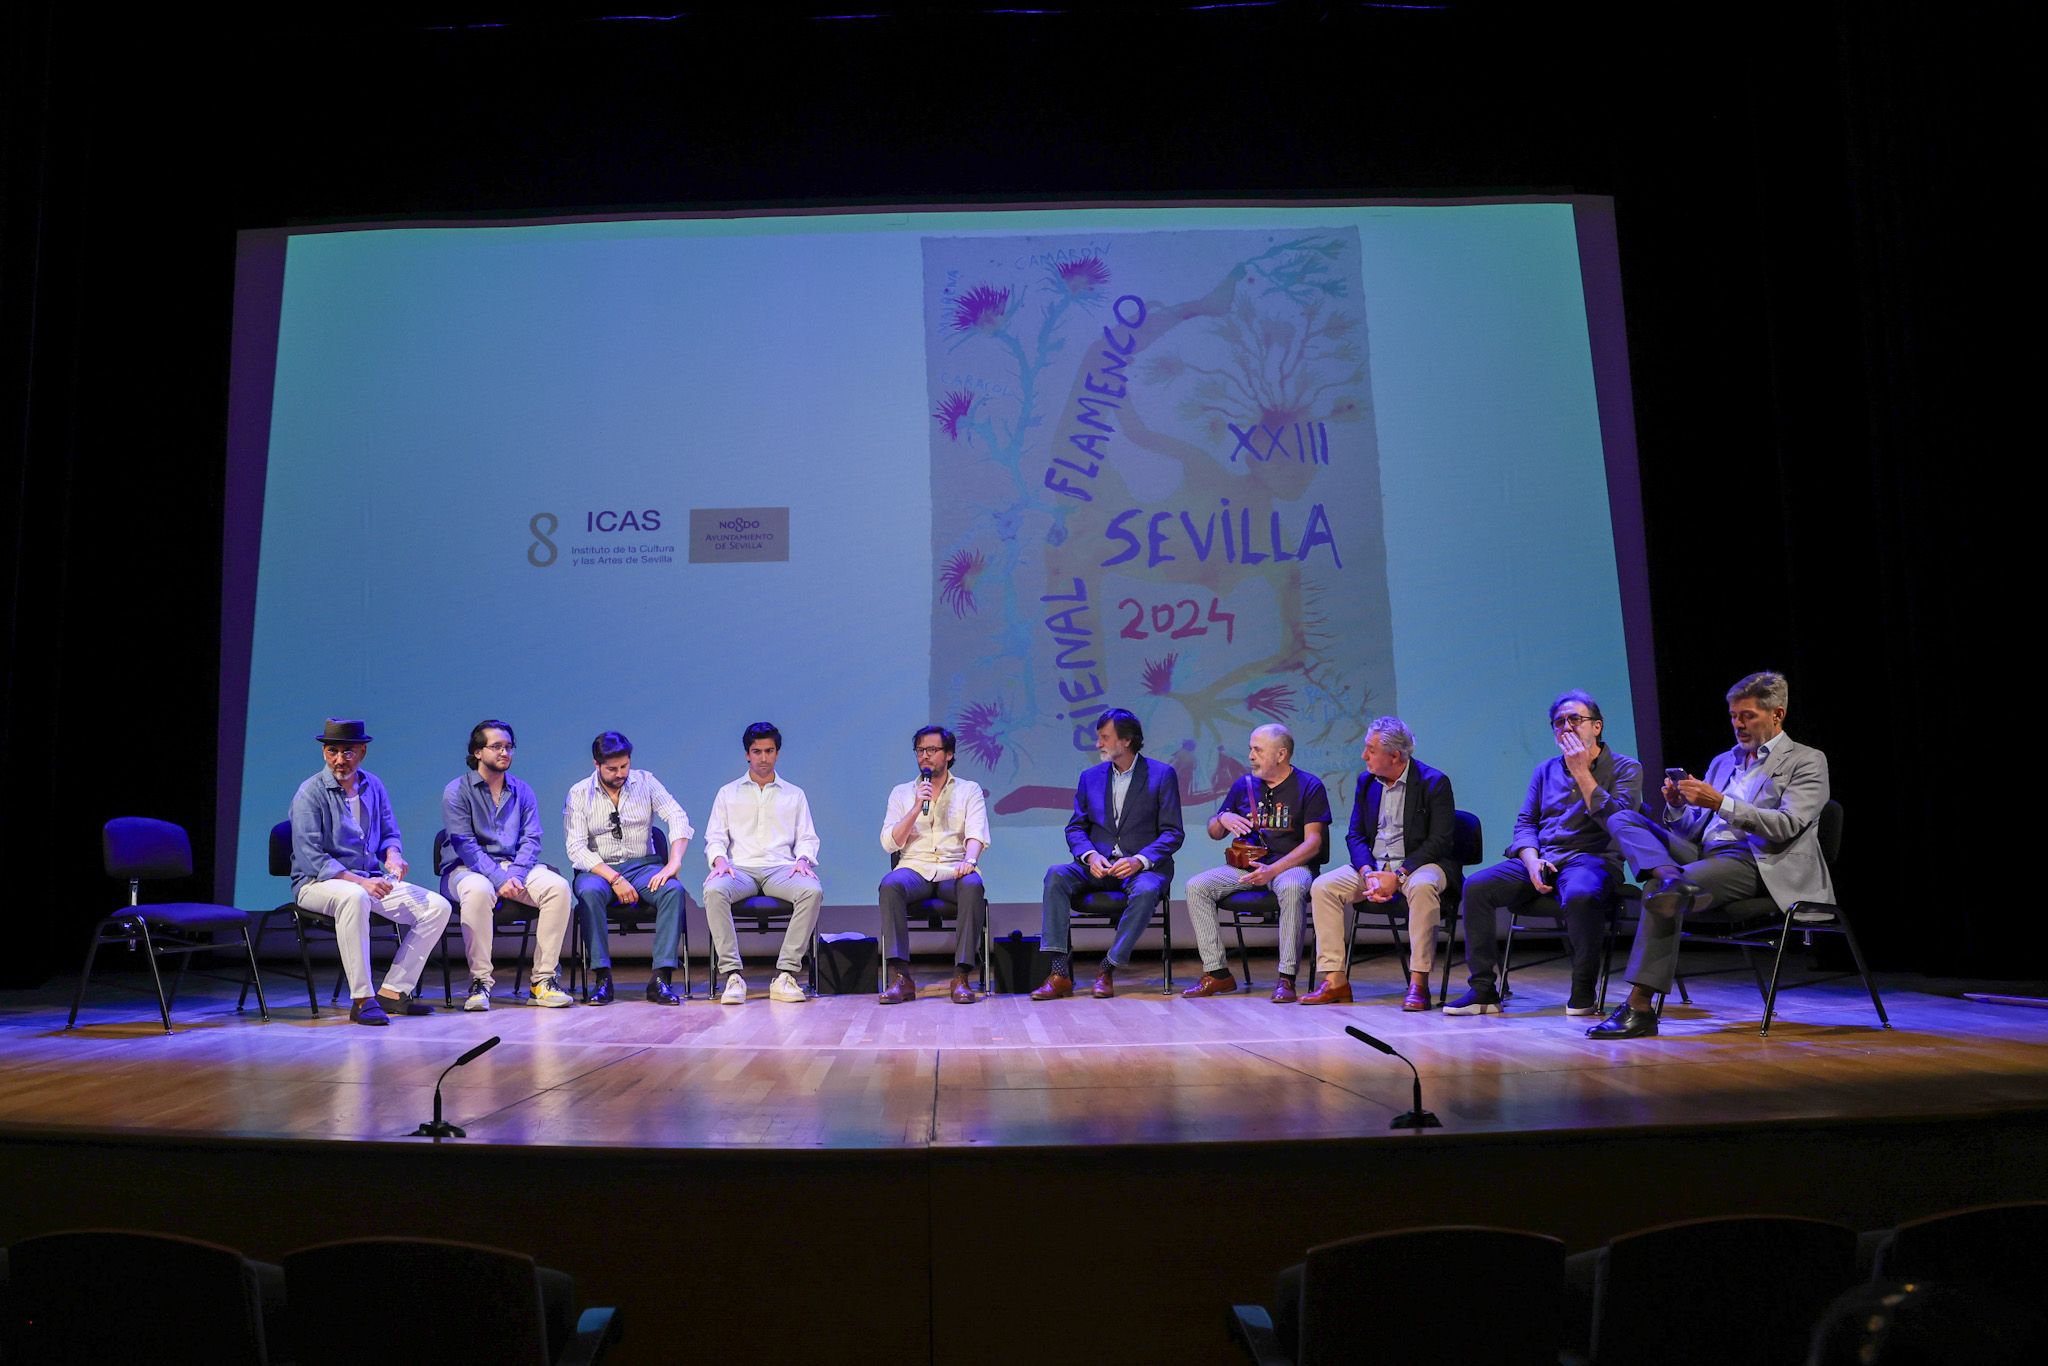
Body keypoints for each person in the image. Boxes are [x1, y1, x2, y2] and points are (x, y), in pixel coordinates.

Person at [1588, 671, 1831, 1040]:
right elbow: (1693, 830)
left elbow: (1786, 826)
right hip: (1703, 854)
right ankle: (1670, 874)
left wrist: (1720, 802)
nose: (1738, 724)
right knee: (1625, 817)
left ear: (1777, 714)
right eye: (1734, 716)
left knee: (1660, 893)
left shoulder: (1807, 761)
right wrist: (1678, 808)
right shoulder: (1724, 762)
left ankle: (1639, 1006)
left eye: (1747, 715)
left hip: (1757, 862)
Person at [1444, 691, 1642, 1018]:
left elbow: (1619, 823)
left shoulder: (1626, 768)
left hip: (1591, 858)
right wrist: (1531, 859)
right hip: (1544, 858)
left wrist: (1582, 773)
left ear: (1597, 726)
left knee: (1580, 896)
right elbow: (1526, 822)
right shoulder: (1545, 770)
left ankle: (1583, 991)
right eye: (1559, 723)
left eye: (1574, 720)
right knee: (1477, 887)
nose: (1566, 728)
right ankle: (1483, 989)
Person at [288, 719, 452, 1026]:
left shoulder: (372, 786)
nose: (339, 759)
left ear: (361, 752)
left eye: (347, 752)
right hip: (317, 883)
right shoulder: (310, 793)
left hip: (366, 879)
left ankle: (393, 990)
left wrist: (393, 856)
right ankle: (363, 999)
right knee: (355, 898)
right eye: (332, 751)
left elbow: (389, 832)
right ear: (324, 753)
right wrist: (362, 882)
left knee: (437, 908)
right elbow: (311, 857)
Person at [1301, 716, 1457, 1009]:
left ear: (1394, 755)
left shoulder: (1434, 782)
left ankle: (1418, 982)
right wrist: (1368, 872)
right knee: (1323, 887)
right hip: (1374, 867)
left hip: (1419, 866)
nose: (1364, 756)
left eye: (1370, 750)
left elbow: (1440, 842)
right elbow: (1356, 835)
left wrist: (1398, 875)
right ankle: (1334, 980)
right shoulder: (1367, 782)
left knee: (1423, 888)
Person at [1032, 708, 1184, 1000]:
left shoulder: (1162, 775)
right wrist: (1090, 856)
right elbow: (1076, 828)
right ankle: (1059, 972)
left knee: (1147, 889)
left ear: (1126, 741)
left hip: (1142, 868)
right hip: (1098, 867)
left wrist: (1139, 860)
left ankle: (1108, 967)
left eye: (1105, 737)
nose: (1098, 744)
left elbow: (1172, 832)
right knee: (1056, 875)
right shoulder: (1090, 777)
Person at [1180, 723, 1330, 1003]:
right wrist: (1222, 818)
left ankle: (1286, 978)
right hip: (1246, 867)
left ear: (1281, 754)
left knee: (1292, 887)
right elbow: (1214, 832)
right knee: (1197, 886)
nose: (1250, 756)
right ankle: (1217, 973)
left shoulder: (1309, 786)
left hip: (1288, 868)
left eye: (1257, 750)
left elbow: (1313, 843)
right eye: (1250, 749)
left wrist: (1273, 870)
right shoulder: (1244, 785)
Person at [438, 720, 573, 1010]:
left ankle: (542, 981)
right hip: (466, 868)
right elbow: (464, 843)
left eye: (508, 747)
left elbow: (532, 839)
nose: (504, 752)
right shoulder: (457, 791)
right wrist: (499, 879)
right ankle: (481, 982)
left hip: (514, 867)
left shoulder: (522, 791)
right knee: (477, 891)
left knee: (558, 888)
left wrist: (514, 873)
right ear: (477, 752)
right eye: (496, 746)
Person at [563, 730, 692, 1005]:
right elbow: (576, 848)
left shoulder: (646, 782)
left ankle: (661, 978)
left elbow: (677, 815)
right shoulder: (578, 793)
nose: (620, 773)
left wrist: (673, 862)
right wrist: (614, 878)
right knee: (589, 894)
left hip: (642, 866)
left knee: (672, 891)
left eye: (624, 766)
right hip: (598, 870)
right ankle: (602, 978)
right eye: (612, 769)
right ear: (597, 765)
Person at [703, 721, 823, 1005]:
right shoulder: (727, 793)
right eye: (757, 751)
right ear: (747, 754)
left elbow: (807, 837)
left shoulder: (794, 794)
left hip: (782, 869)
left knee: (812, 890)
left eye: (769, 751)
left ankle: (786, 974)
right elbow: (715, 837)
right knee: (713, 890)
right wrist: (719, 861)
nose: (763, 758)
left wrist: (803, 859)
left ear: (777, 753)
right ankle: (732, 975)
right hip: (739, 869)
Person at [877, 725, 991, 1005]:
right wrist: (916, 807)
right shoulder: (902, 793)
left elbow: (977, 834)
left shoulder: (969, 790)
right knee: (890, 885)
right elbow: (889, 843)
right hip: (915, 868)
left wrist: (970, 860)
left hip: (954, 868)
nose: (925, 756)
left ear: (949, 754)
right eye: (920, 751)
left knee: (973, 885)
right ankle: (900, 977)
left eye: (932, 750)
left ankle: (962, 976)